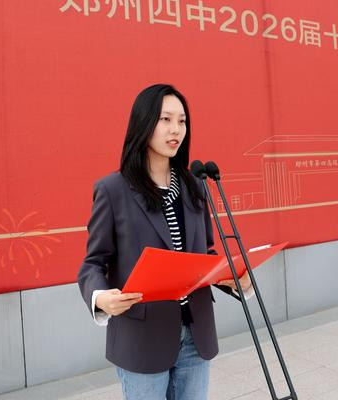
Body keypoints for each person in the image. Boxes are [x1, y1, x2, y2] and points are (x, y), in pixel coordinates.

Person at [77, 83, 253, 400]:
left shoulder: (195, 185)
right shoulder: (113, 190)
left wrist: (231, 278)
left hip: (195, 335)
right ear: (144, 123)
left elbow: (206, 252)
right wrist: (100, 298)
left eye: (182, 121)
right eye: (166, 120)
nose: (176, 130)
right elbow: (93, 263)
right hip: (142, 338)